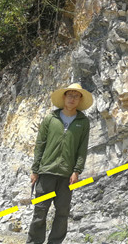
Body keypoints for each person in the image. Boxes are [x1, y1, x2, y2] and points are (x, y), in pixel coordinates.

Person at [27, 83, 92, 244]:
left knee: (62, 213)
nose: (72, 98)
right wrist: (35, 170)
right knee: (40, 211)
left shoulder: (83, 122)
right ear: (64, 97)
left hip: (66, 176)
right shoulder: (50, 118)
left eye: (76, 96)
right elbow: (40, 144)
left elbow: (82, 148)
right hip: (47, 172)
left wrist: (77, 171)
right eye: (69, 95)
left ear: (80, 100)